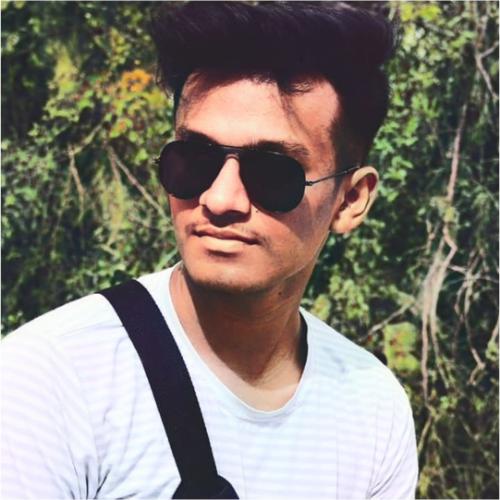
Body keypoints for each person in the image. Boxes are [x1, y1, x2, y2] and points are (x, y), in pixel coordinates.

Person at [1, 2, 418, 498]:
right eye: (194, 159)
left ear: (350, 201)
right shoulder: (50, 381)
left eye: (273, 173)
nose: (220, 199)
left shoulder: (372, 409)